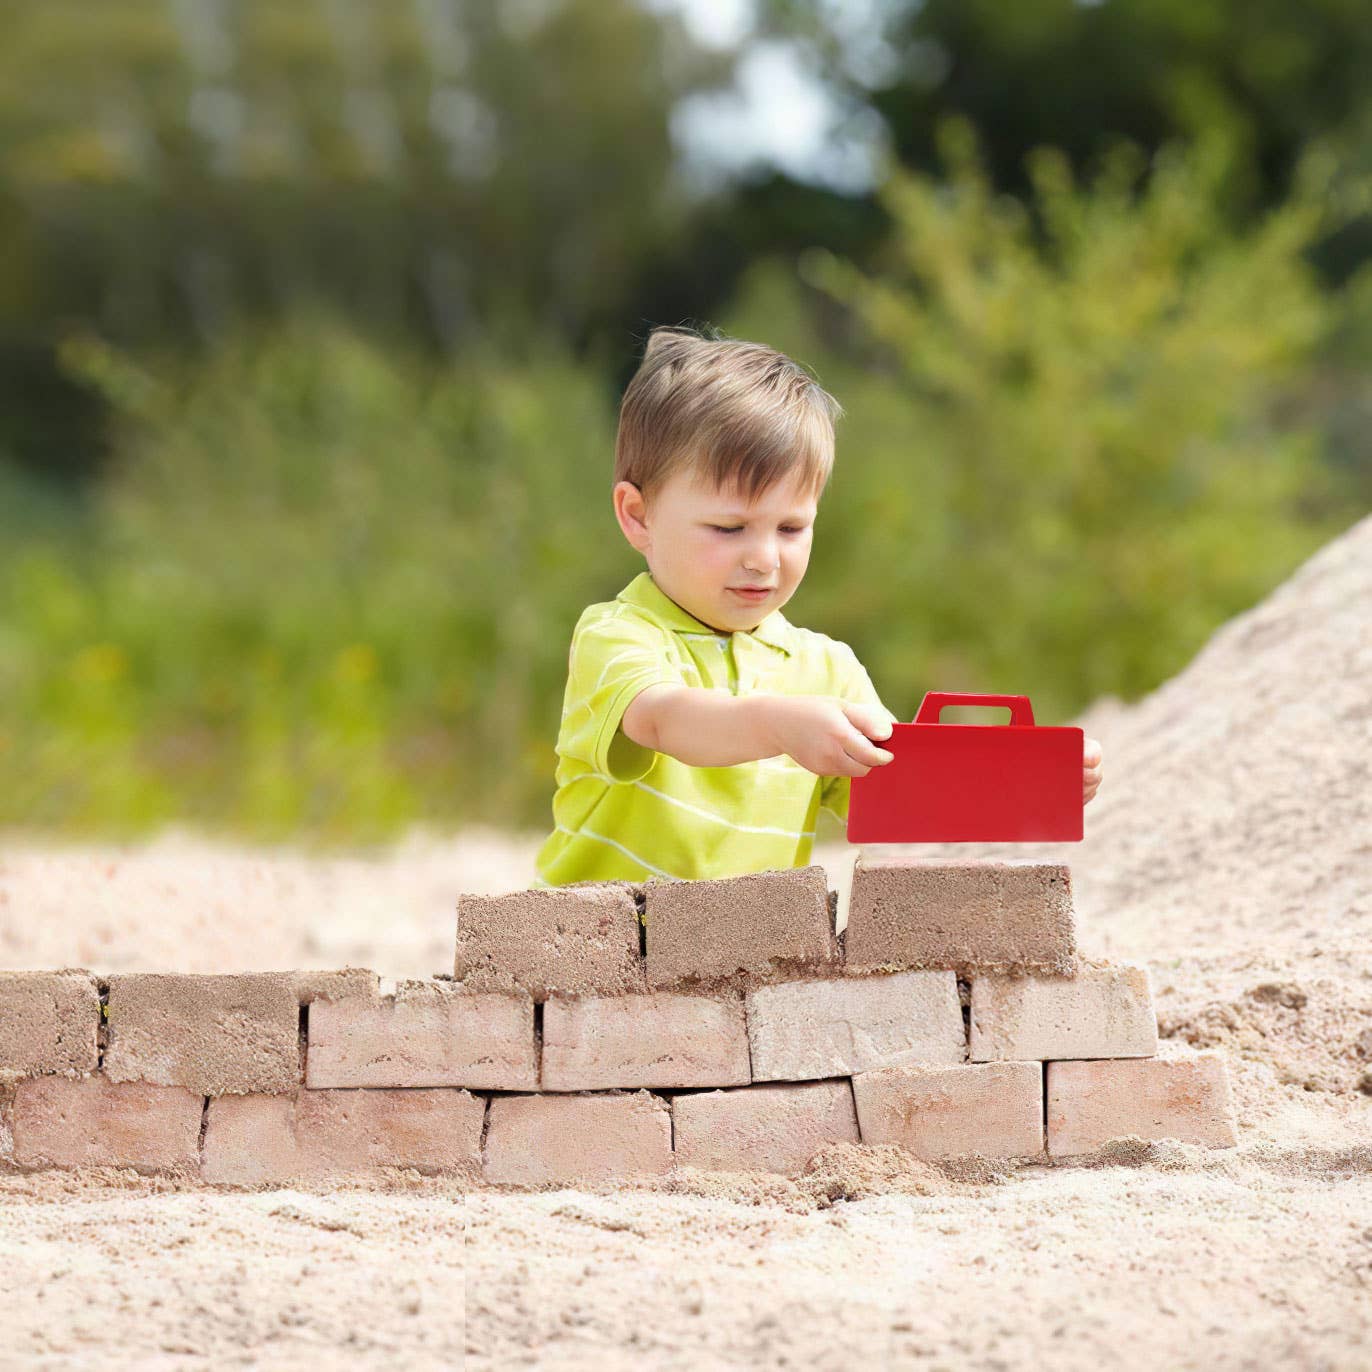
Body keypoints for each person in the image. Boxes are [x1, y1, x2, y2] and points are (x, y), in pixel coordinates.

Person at [531, 324, 1104, 887]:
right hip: (600, 945)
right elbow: (663, 720)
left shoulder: (825, 670)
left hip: (751, 955)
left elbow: (895, 802)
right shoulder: (619, 634)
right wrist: (781, 723)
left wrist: (1022, 783)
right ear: (638, 516)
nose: (763, 558)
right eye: (729, 528)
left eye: (790, 527)